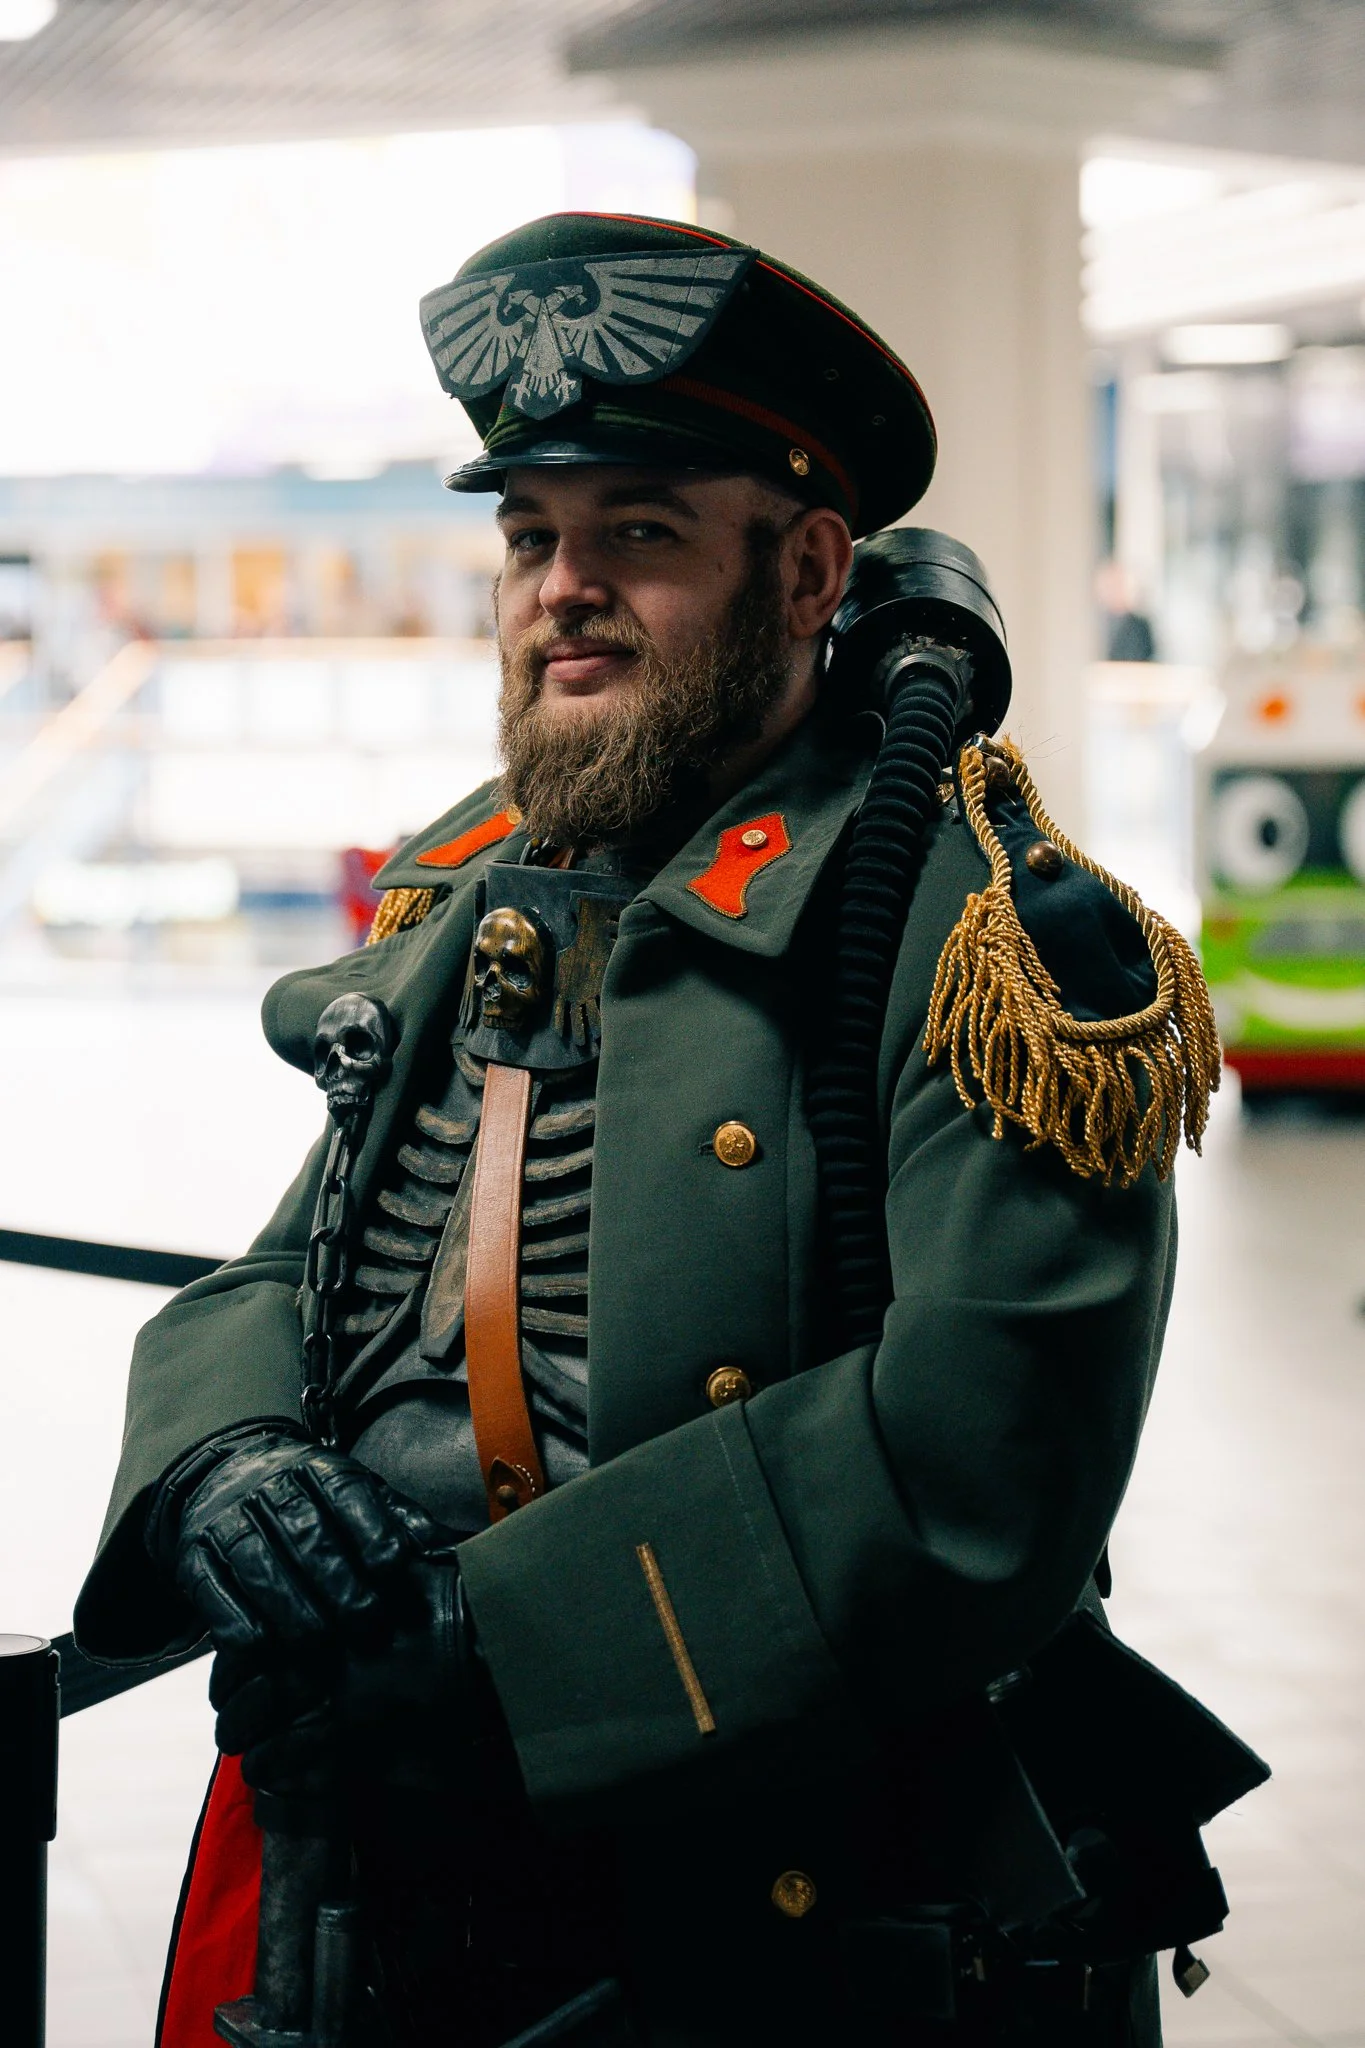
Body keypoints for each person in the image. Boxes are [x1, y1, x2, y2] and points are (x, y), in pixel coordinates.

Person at [75, 213, 1263, 2048]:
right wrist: (223, 1466)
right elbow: (298, 1261)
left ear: (807, 576)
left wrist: (496, 1649)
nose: (565, 587)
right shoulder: (474, 892)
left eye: (638, 532)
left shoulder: (987, 945)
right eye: (532, 538)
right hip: (397, 1871)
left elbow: (981, 1476)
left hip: (774, 1895)